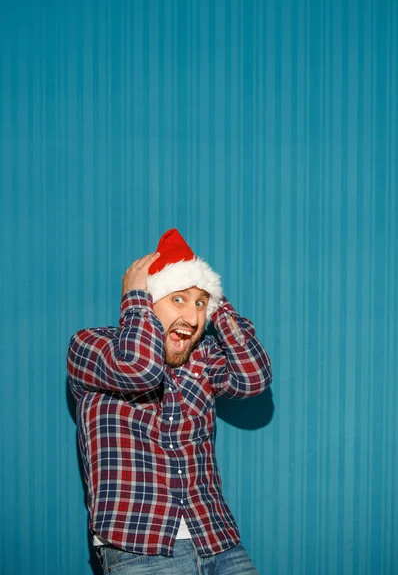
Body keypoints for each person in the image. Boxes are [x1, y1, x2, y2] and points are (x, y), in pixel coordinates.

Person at [67, 228, 272, 574]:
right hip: (140, 547)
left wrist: (217, 305)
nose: (192, 319)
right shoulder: (90, 346)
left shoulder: (202, 358)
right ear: (149, 298)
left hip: (217, 538)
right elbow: (141, 370)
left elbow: (254, 378)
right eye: (178, 298)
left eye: (199, 304)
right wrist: (135, 296)